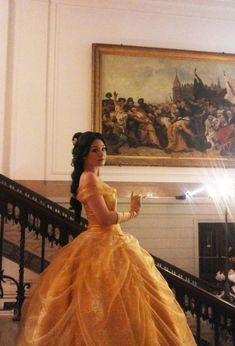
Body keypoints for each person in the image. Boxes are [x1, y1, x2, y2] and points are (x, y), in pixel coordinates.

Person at [17, 131, 196, 346]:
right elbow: (104, 218)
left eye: (103, 149)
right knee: (104, 303)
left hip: (112, 240)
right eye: (95, 150)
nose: (101, 153)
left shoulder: (93, 176)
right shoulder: (89, 177)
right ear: (83, 154)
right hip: (102, 241)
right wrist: (133, 213)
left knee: (128, 303)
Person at [70, 132, 82, 221]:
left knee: (76, 191)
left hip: (79, 173)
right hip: (76, 172)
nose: (72, 141)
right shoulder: (77, 149)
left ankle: (77, 216)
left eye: (73, 139)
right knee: (75, 191)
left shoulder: (80, 150)